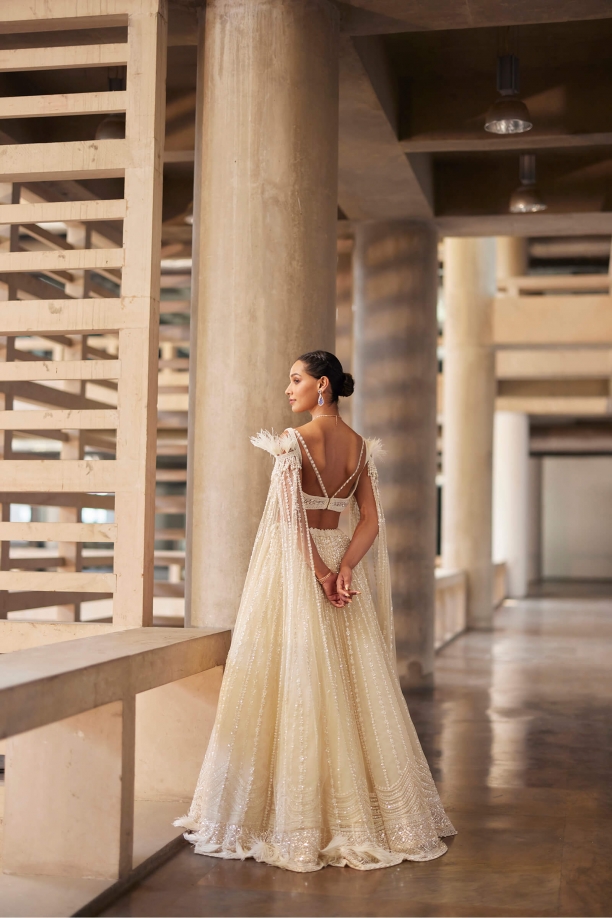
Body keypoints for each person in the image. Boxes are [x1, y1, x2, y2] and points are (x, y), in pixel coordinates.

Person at [175, 351, 456, 872]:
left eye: (296, 379)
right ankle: (365, 816)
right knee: (353, 686)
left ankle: (299, 818)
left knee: (295, 681)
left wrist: (323, 575)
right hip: (341, 569)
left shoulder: (293, 442)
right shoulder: (360, 448)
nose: (288, 388)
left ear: (321, 385)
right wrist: (345, 568)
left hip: (297, 574)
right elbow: (371, 521)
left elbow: (290, 521)